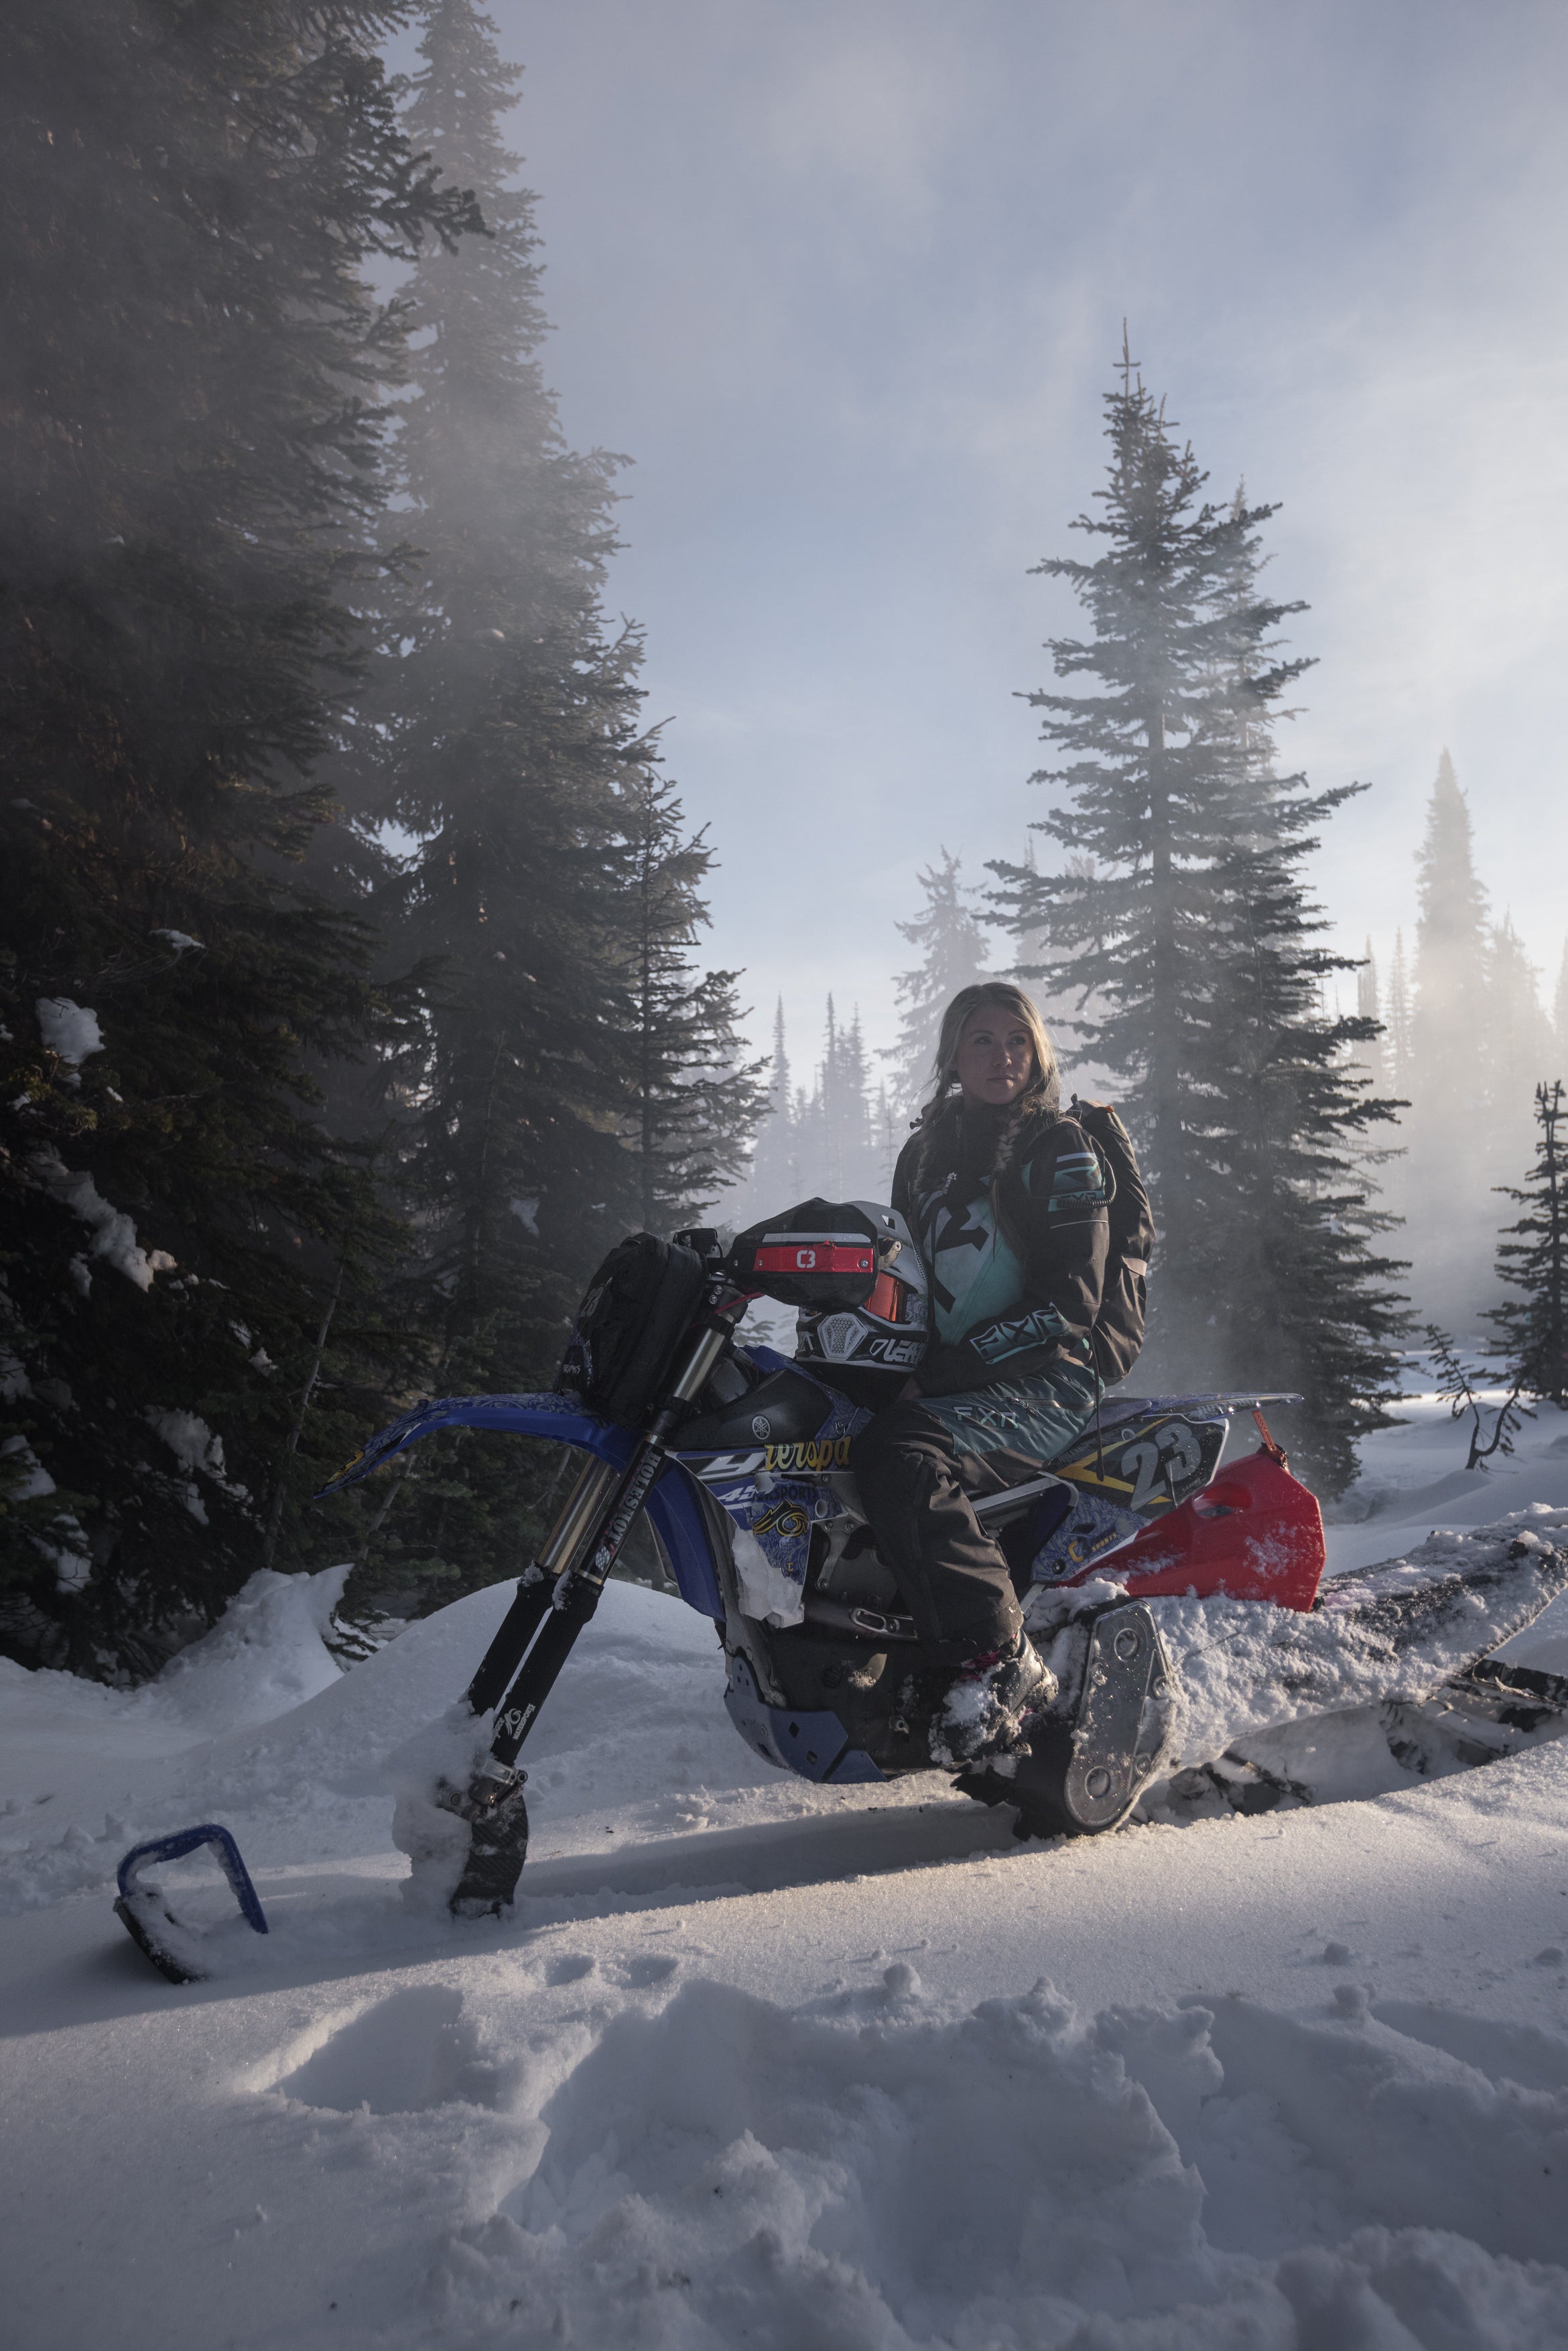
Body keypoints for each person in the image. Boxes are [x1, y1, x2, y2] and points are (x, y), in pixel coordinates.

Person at [849, 982, 1110, 1766]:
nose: (1003, 1056)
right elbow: (907, 1280)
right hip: (950, 1376)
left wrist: (946, 1374)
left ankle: (996, 1659)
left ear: (1038, 1055)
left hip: (1046, 1379)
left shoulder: (1059, 1146)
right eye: (982, 1041)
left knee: (901, 1454)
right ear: (952, 1059)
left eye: (1017, 1041)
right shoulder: (921, 1155)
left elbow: (1071, 1304)